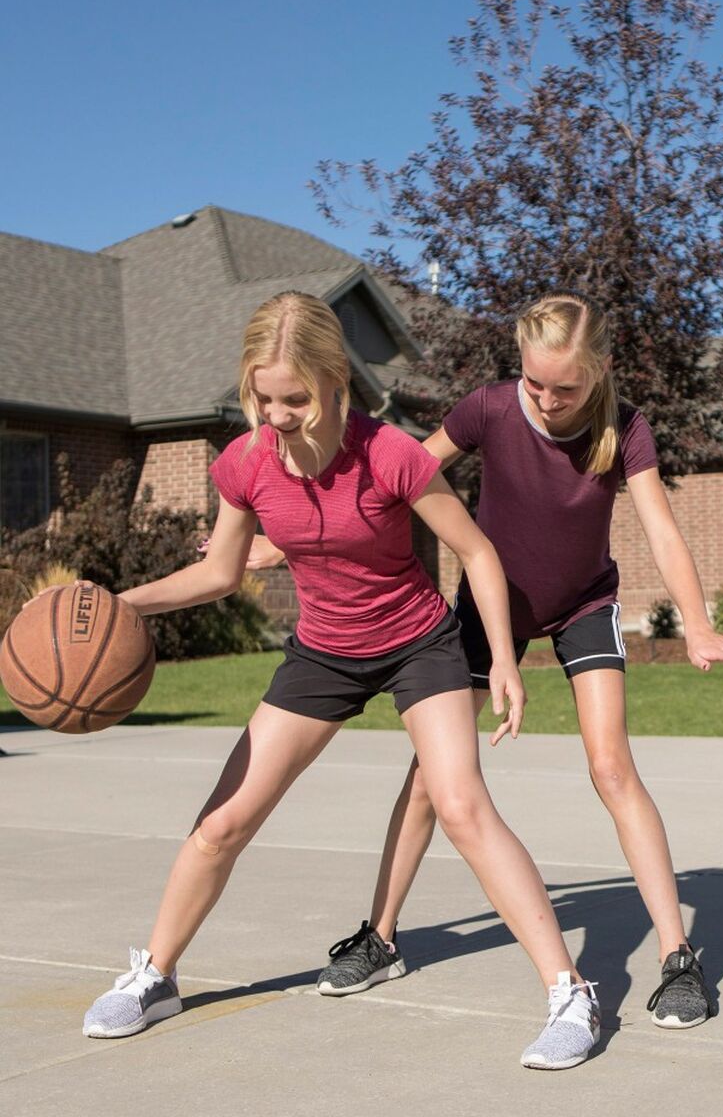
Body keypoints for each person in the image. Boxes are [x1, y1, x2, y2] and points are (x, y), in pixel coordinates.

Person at [80, 292, 599, 1071]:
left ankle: (569, 993)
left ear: (335, 384)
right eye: (262, 398)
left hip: (418, 644)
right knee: (221, 823)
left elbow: (478, 551)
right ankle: (155, 976)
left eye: (293, 399)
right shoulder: (246, 462)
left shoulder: (391, 454)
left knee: (461, 806)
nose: (276, 415)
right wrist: (121, 603)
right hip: (323, 652)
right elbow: (220, 573)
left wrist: (501, 659)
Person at [253, 290, 723, 1029]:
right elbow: (390, 482)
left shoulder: (625, 428)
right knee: (431, 778)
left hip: (583, 604)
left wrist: (698, 624)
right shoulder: (488, 409)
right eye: (535, 383)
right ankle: (380, 937)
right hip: (487, 608)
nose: (548, 401)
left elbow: (661, 529)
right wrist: (286, 538)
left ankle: (678, 958)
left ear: (601, 369)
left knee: (612, 766)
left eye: (566, 388)